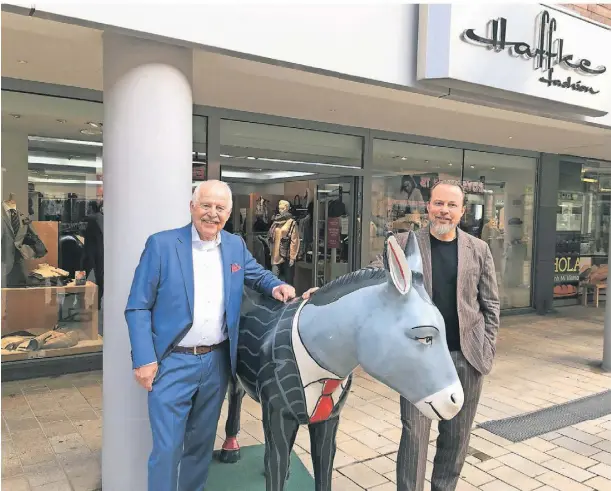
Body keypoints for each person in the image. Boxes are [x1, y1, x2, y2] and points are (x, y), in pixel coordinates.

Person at [305, 179, 500, 491]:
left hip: (466, 357)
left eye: (452, 205)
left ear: (462, 211)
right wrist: (328, 293)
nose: (444, 211)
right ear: (428, 206)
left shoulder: (478, 249)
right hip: (419, 361)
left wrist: (486, 347)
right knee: (414, 436)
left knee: (457, 437)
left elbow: (490, 303)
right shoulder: (405, 244)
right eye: (439, 203)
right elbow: (371, 277)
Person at [125, 180, 296, 491]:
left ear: (228, 213)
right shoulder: (161, 245)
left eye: (220, 208)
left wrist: (276, 286)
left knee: (200, 447)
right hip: (171, 362)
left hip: (216, 362)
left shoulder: (234, 246)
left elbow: (255, 273)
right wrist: (144, 358)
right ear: (192, 207)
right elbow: (137, 307)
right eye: (206, 205)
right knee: (167, 450)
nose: (212, 214)